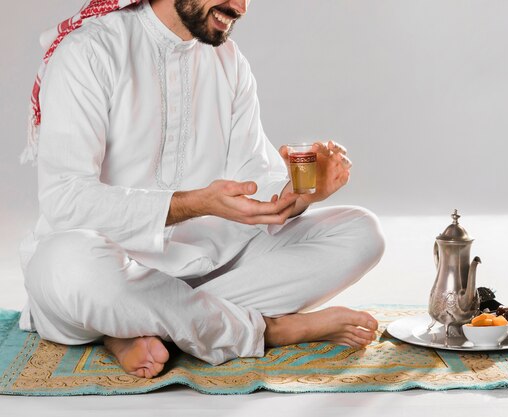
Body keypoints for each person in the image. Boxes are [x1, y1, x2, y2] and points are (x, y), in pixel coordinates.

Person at [19, 0, 385, 379]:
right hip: (110, 269)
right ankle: (267, 330)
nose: (240, 6)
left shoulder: (228, 59)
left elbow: (254, 180)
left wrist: (300, 193)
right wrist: (194, 204)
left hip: (211, 267)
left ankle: (136, 325)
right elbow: (66, 201)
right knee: (69, 267)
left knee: (361, 232)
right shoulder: (89, 51)